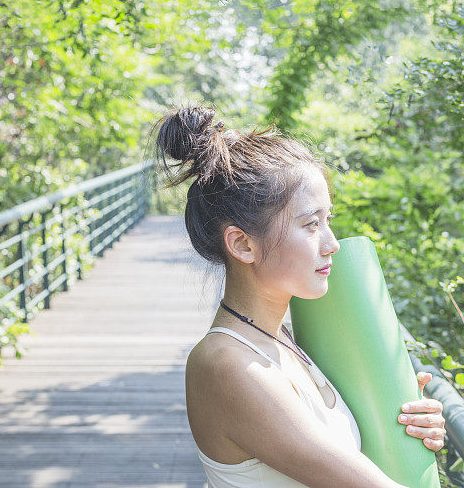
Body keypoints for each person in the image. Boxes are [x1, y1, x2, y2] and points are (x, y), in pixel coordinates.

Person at [152, 105, 446, 488]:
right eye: (310, 225)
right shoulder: (229, 366)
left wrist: (404, 424)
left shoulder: (284, 339)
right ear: (242, 244)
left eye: (328, 220)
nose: (332, 244)